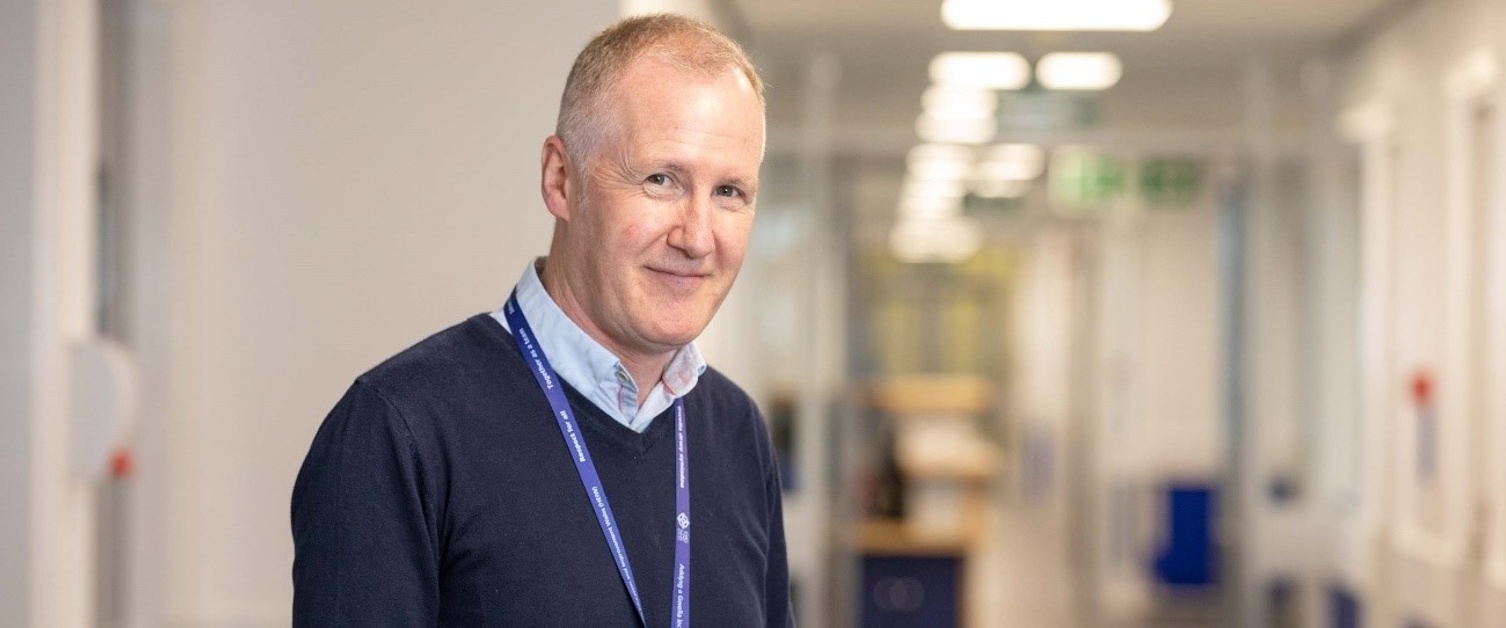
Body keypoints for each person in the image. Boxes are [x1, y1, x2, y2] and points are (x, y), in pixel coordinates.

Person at [290, 13, 793, 627]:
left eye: (729, 193)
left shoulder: (737, 432)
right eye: (661, 180)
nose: (697, 237)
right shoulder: (399, 428)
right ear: (561, 179)